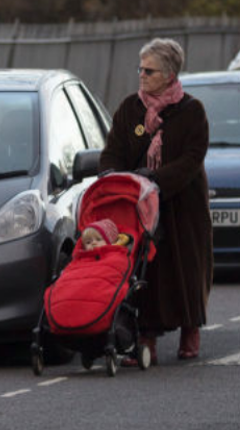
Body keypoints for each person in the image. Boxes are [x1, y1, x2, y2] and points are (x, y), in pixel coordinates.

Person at [98, 37, 211, 362]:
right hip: (137, 204)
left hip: (182, 204)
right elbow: (112, 153)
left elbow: (192, 158)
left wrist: (155, 181)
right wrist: (112, 179)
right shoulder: (129, 109)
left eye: (150, 70)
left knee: (185, 268)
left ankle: (191, 327)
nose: (142, 75)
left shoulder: (192, 111)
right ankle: (145, 337)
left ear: (170, 74)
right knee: (146, 270)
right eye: (140, 69)